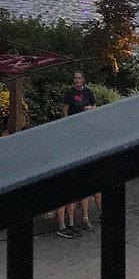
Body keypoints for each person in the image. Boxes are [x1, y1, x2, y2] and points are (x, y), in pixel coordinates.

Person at [57, 71, 100, 236]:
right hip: (74, 129)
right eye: (75, 78)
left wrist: (91, 108)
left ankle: (82, 219)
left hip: (85, 128)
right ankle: (65, 225)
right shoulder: (69, 93)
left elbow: (95, 107)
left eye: (80, 78)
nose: (77, 81)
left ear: (84, 80)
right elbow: (65, 111)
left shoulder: (88, 92)